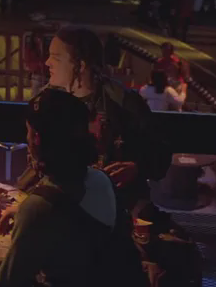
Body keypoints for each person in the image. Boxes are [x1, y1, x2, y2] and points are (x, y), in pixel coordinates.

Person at [0, 88, 148, 287]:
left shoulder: (39, 210)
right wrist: (23, 212)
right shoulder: (101, 180)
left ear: (37, 138)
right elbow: (73, 228)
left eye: (28, 131)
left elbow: (3, 285)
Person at [16, 26, 172, 215]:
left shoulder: (123, 104)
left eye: (56, 58)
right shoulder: (45, 102)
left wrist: (137, 167)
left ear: (80, 66)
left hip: (116, 209)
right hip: (59, 205)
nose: (47, 62)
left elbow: (161, 153)